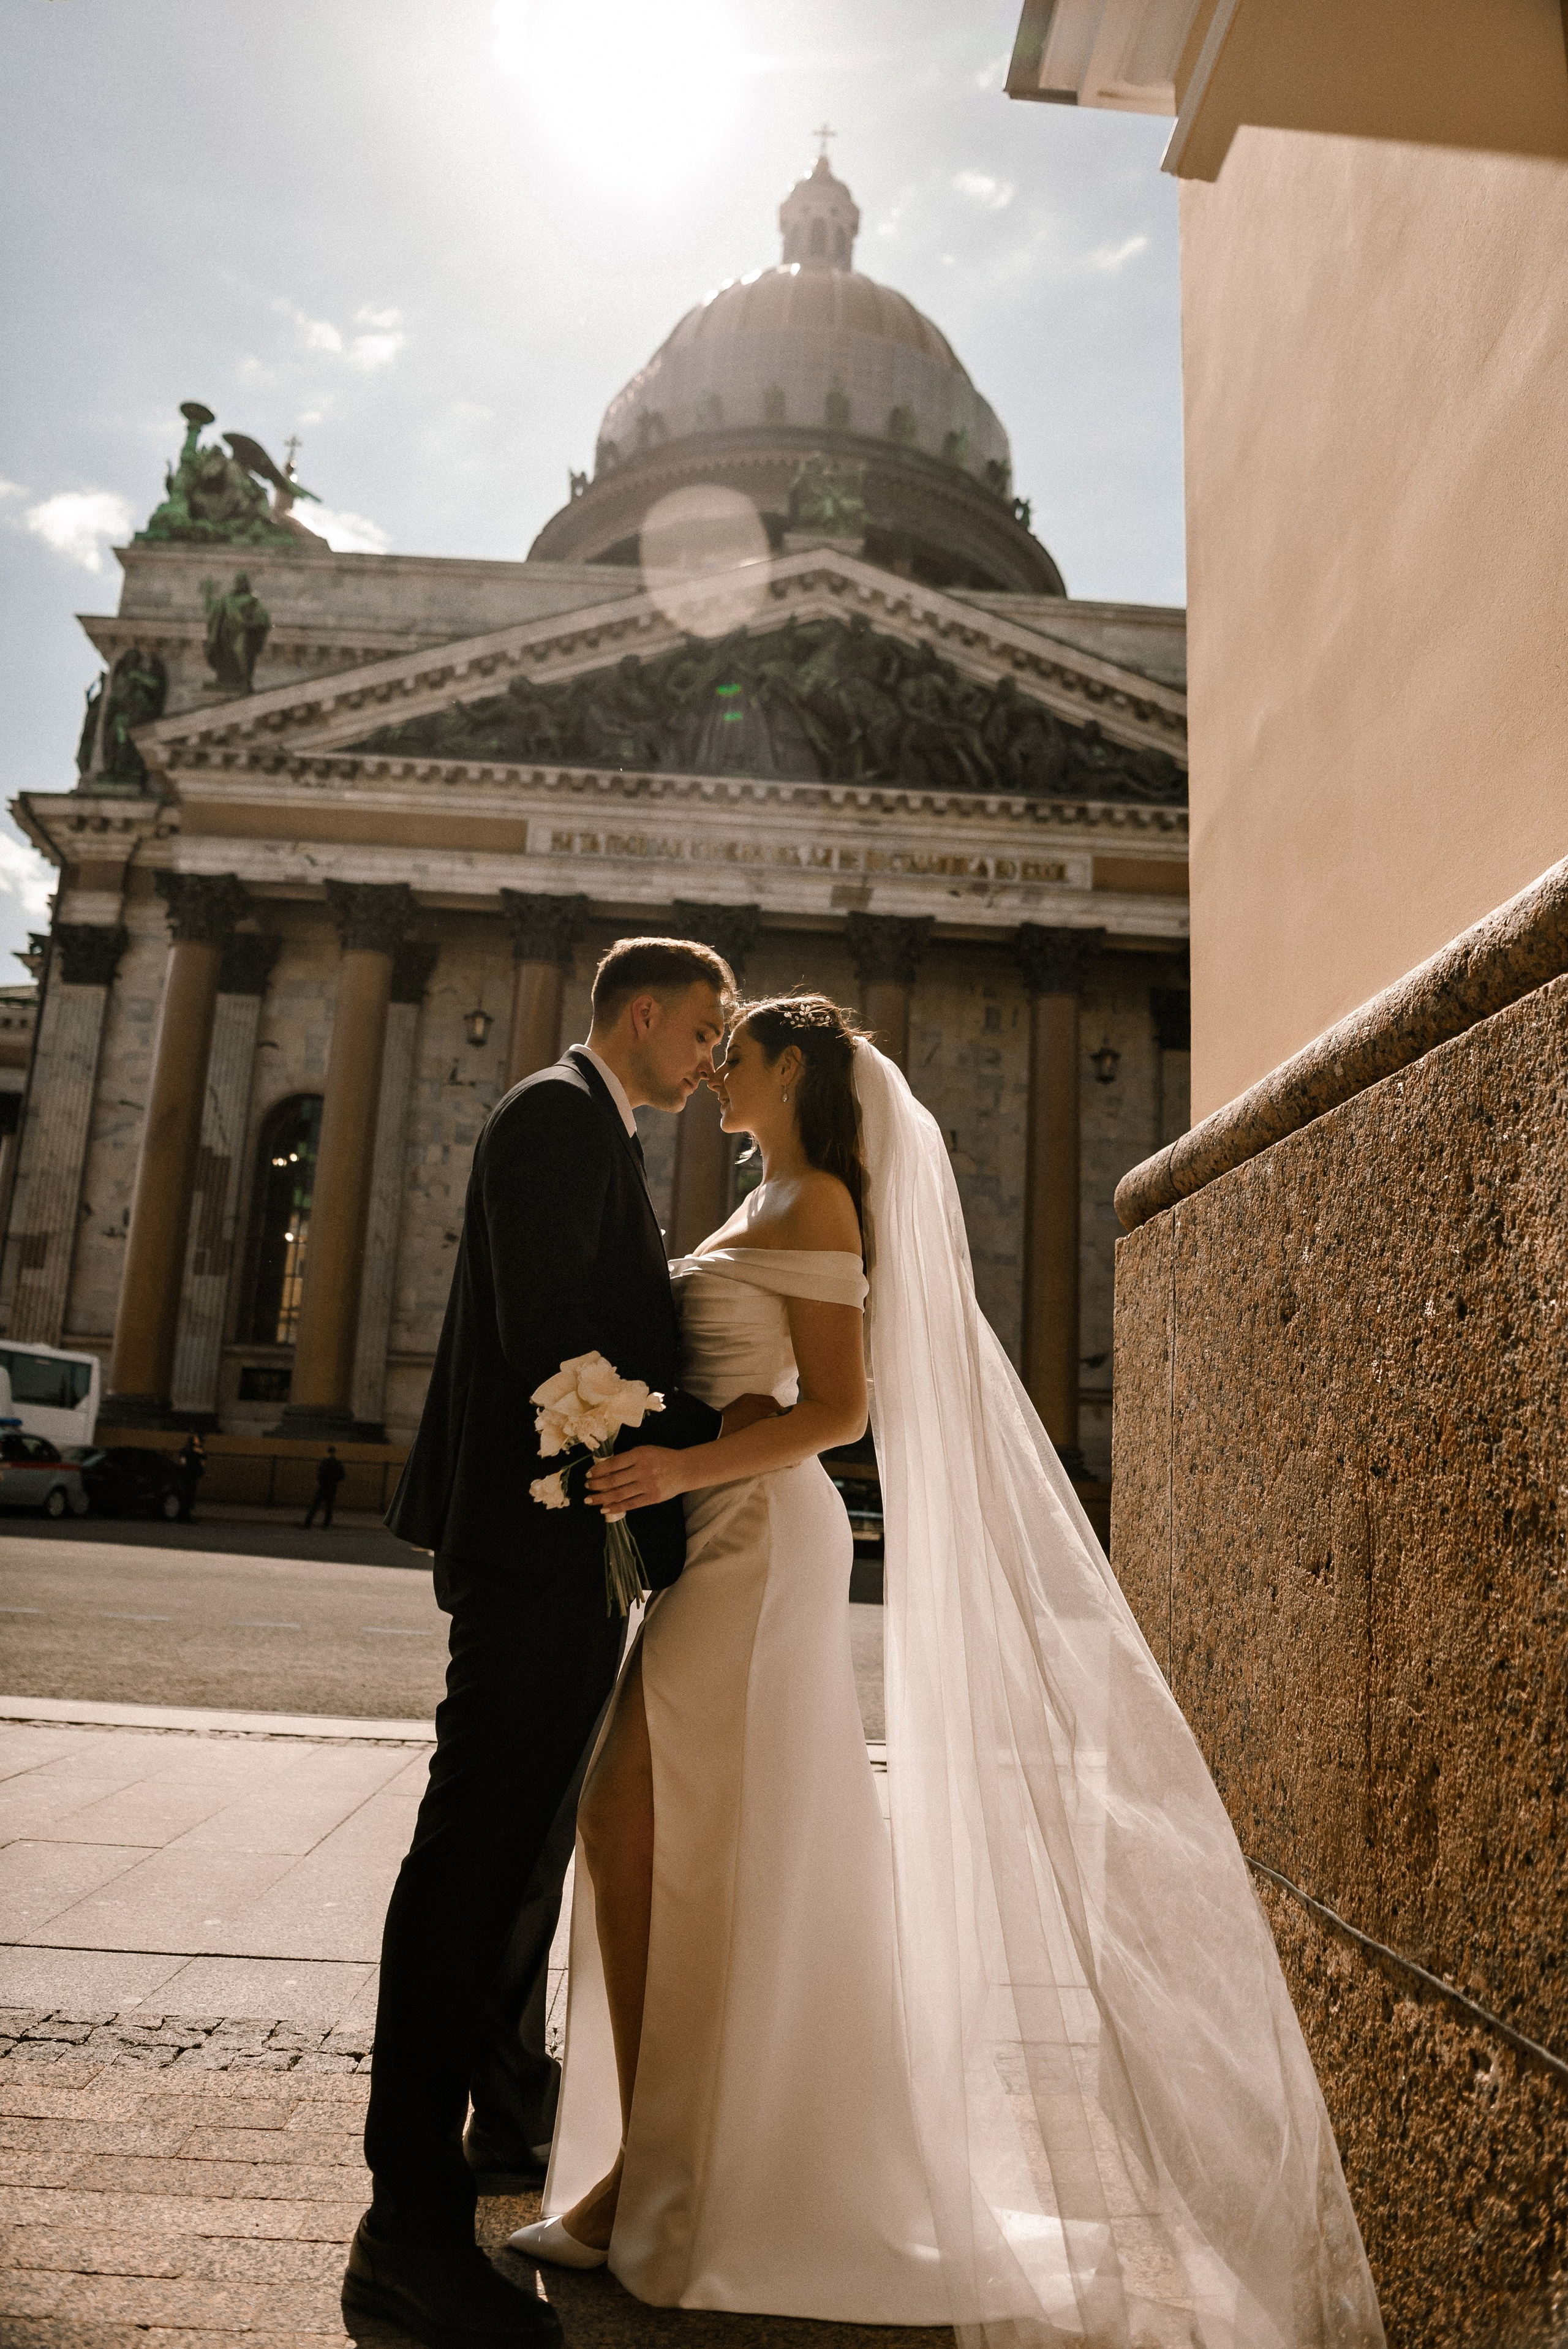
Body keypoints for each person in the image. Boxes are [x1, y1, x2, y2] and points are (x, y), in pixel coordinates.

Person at [511, 995, 1386, 2348]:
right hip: (718, 1540)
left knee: (659, 1833)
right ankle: (654, 2158)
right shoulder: (772, 1195)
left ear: (790, 1068)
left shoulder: (814, 1207)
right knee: (640, 1832)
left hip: (758, 1548)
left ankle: (672, 2177)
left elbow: (841, 1409)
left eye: (729, 1052)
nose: (711, 1069)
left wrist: (679, 1459)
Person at [342, 938, 783, 2349]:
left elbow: (578, 1331)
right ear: (640, 1014)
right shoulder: (553, 1114)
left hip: (562, 1555)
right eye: (705, 1026)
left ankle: (445, 2183)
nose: (715, 1052)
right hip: (535, 1552)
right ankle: (404, 2230)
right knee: (469, 1867)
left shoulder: (589, 1124)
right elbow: (553, 1342)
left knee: (496, 1865)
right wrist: (699, 1439)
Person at [301, 1446, 344, 1529]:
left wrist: (322, 1481)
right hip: (332, 1487)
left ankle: (308, 1523)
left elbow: (320, 1475)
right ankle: (326, 1524)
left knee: (315, 1506)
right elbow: (342, 1476)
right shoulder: (337, 1463)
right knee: (329, 1507)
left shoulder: (324, 1462)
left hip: (324, 1486)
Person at [175, 1431, 205, 1525]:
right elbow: (201, 1462)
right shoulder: (196, 1451)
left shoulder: (188, 1450)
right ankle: (185, 1515)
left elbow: (183, 1461)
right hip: (190, 1476)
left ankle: (183, 1515)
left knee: (186, 1495)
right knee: (188, 1496)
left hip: (188, 1475)